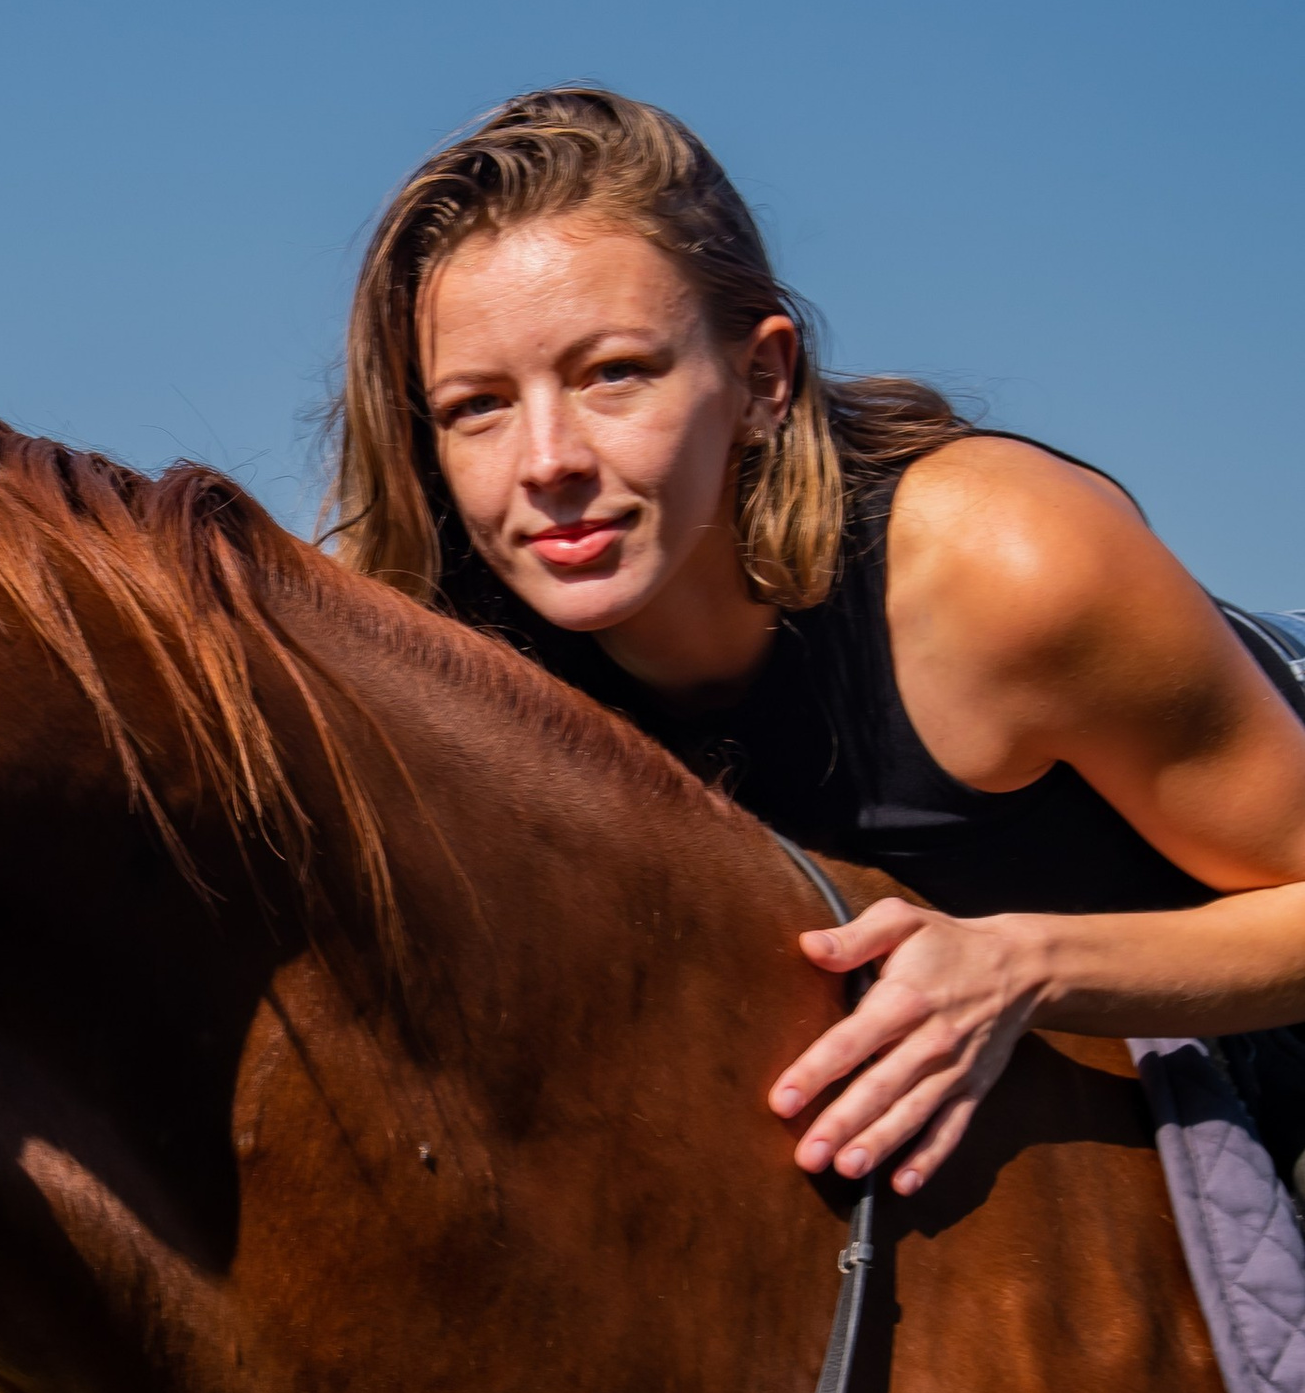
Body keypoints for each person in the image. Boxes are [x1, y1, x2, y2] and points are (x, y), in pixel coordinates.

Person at [327, 88, 1305, 1199]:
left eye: (613, 374)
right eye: (476, 406)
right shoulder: (447, 667)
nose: (546, 460)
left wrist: (1026, 963)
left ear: (760, 379)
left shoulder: (1005, 568)